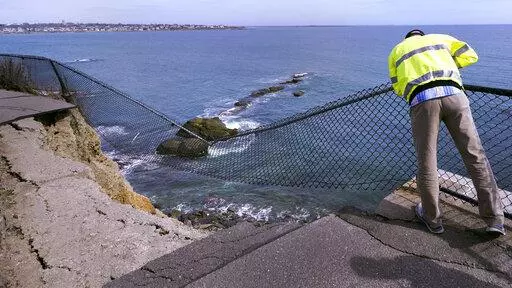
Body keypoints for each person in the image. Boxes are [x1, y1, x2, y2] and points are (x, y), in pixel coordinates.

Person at [388, 29, 505, 236]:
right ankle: (494, 219)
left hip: (423, 101)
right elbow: (471, 55)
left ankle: (433, 220)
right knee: (475, 156)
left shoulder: (397, 50)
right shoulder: (440, 38)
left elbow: (397, 86)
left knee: (427, 162)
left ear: (407, 38)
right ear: (422, 35)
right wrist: (449, 66)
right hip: (455, 96)